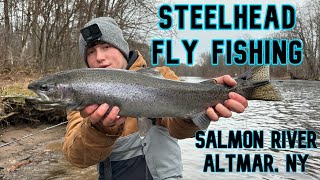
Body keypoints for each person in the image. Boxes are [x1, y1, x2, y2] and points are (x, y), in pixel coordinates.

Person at [62, 17, 248, 180]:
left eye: (106, 46)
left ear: (122, 48)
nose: (100, 57)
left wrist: (205, 98)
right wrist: (99, 129)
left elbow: (178, 129)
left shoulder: (161, 75)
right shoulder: (82, 98)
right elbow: (77, 158)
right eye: (91, 52)